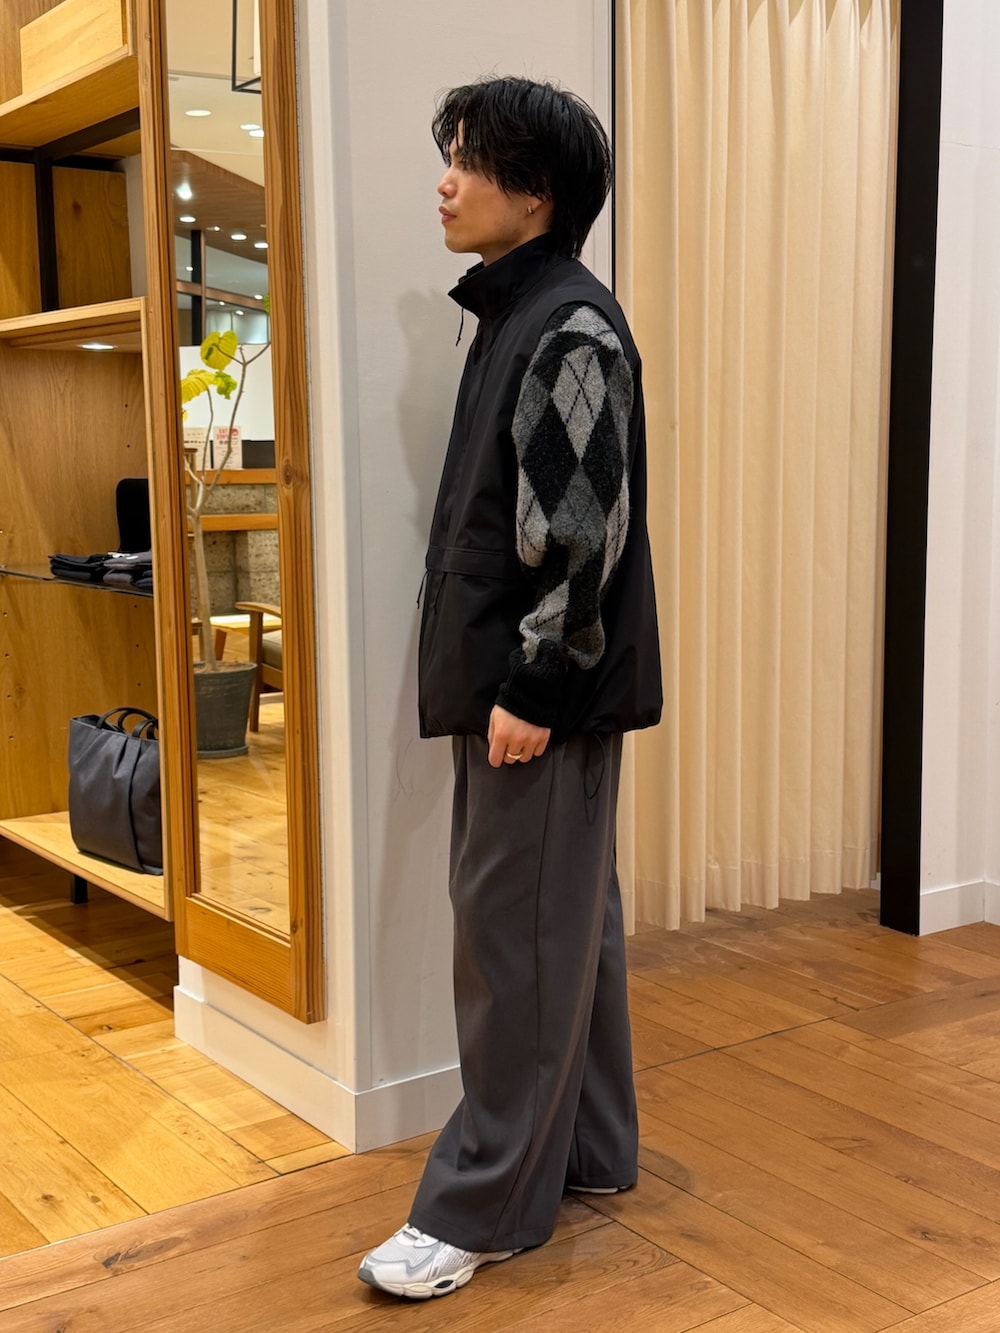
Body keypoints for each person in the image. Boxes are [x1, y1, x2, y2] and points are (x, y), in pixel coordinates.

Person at [358, 74, 662, 1301]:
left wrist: (534, 688)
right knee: (561, 926)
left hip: (537, 695)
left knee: (514, 944)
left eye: (467, 161)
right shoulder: (519, 312)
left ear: (533, 193)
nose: (444, 182)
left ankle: (480, 1207)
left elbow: (580, 537)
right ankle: (586, 1150)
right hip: (520, 686)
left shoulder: (567, 328)